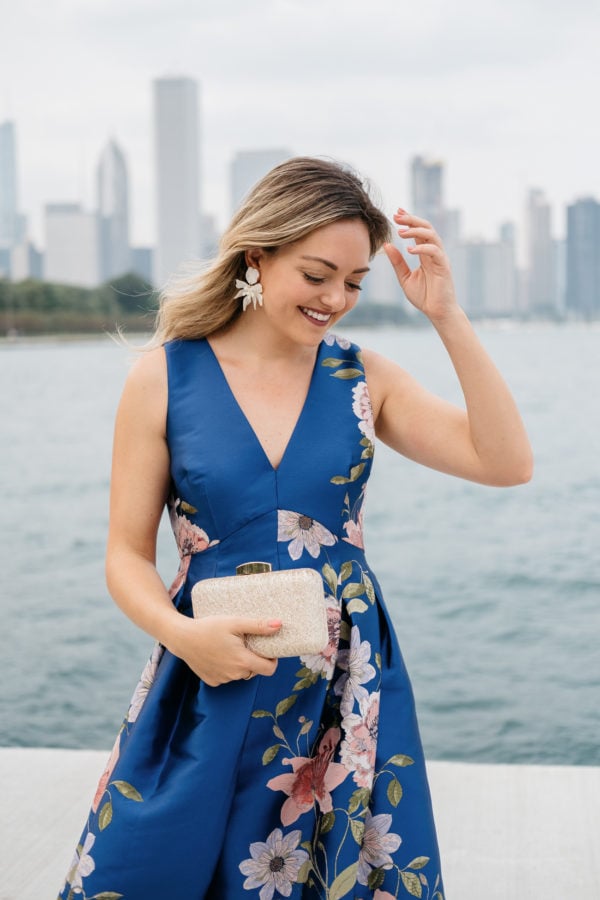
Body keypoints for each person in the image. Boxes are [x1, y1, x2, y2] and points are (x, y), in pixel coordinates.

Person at [58, 156, 532, 900]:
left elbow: (505, 462)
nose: (336, 299)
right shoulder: (164, 376)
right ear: (258, 254)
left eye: (353, 282)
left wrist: (446, 315)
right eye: (317, 275)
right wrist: (184, 637)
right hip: (210, 672)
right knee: (155, 868)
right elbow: (124, 555)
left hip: (345, 692)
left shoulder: (362, 379)